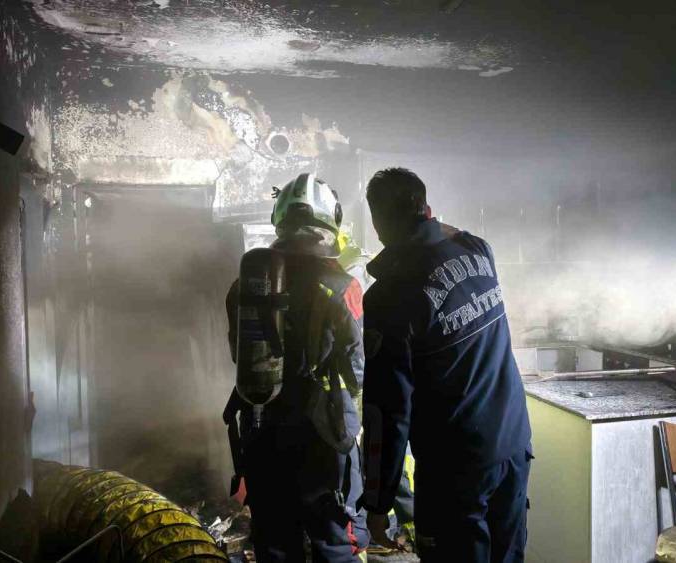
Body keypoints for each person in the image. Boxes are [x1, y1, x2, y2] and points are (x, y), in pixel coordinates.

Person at [359, 168, 532, 562]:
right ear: (426, 208)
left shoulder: (390, 297)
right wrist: (429, 226)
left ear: (378, 223)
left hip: (456, 469)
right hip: (513, 444)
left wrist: (377, 502)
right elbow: (450, 233)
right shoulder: (478, 250)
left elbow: (387, 410)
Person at [224, 173, 369, 562]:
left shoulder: (246, 285)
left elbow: (239, 353)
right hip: (321, 433)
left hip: (261, 421)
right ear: (330, 220)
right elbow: (356, 366)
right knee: (333, 537)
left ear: (280, 220)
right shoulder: (342, 285)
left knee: (274, 539)